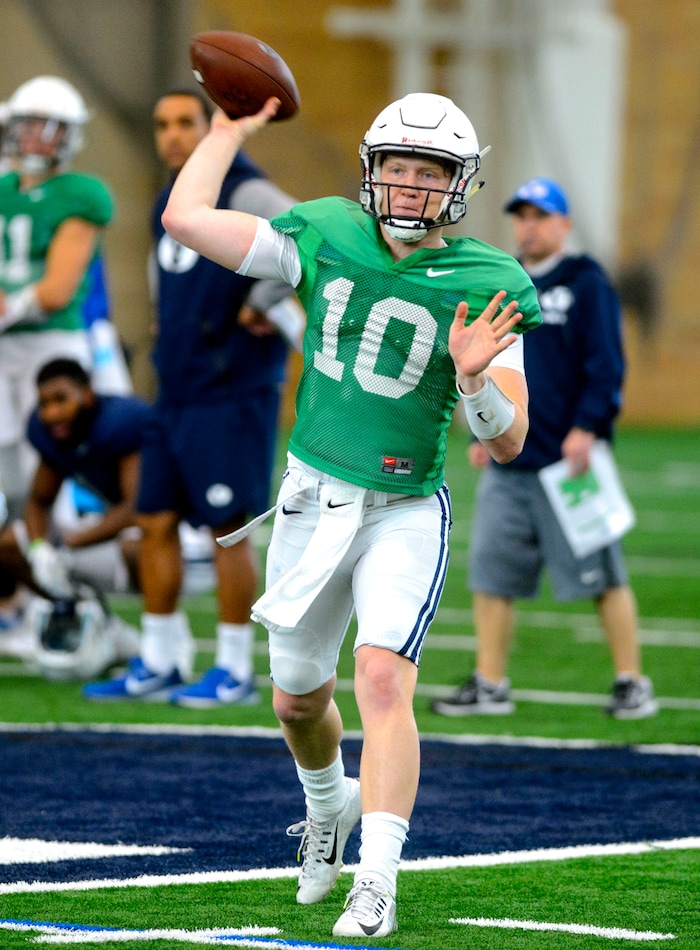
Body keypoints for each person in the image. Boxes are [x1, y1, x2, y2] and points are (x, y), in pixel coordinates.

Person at [160, 91, 541, 937]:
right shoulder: (324, 230)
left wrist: (476, 383)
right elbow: (186, 219)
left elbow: (512, 442)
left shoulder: (489, 280)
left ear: (459, 183)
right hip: (310, 497)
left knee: (379, 677)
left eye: (430, 171)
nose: (410, 186)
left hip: (403, 507)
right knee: (297, 702)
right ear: (372, 173)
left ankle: (378, 879)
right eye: (398, 168)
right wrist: (225, 135)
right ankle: (327, 808)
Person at [83, 89, 303, 706]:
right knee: (152, 521)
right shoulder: (168, 201)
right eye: (162, 125)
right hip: (174, 393)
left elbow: (312, 250)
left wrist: (261, 304)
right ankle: (161, 657)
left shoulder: (247, 191)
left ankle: (234, 668)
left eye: (187, 123)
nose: (173, 135)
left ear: (215, 127)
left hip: (231, 394)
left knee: (226, 532)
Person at [431, 177, 658, 722]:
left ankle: (631, 681)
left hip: (569, 460)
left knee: (604, 575)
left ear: (564, 224)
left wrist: (589, 426)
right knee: (490, 575)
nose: (528, 225)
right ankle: (490, 683)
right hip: (512, 463)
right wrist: (487, 432)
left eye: (540, 215)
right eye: (522, 215)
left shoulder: (586, 282)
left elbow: (606, 363)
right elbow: (482, 362)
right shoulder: (503, 280)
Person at [0, 76, 114, 522]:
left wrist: (9, 307)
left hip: (51, 342)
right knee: (6, 458)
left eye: (50, 127)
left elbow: (55, 290)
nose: (37, 137)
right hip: (7, 343)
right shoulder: (7, 185)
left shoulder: (81, 193)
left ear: (71, 134)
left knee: (46, 457)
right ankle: (20, 576)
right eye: (30, 125)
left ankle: (63, 569)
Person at [0, 357, 150, 672]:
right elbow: (38, 502)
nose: (52, 412)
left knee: (139, 546)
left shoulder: (120, 422)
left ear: (87, 394)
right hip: (105, 534)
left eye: (61, 399)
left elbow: (136, 507)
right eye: (44, 403)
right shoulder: (52, 434)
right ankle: (102, 623)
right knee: (11, 543)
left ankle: (165, 644)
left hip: (176, 541)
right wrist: (41, 549)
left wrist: (70, 545)